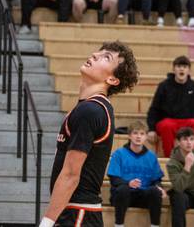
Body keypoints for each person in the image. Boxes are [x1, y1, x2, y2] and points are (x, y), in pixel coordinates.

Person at [39, 42, 139, 227]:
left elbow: (70, 175)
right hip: (76, 211)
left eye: (106, 57)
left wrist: (46, 222)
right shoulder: (91, 108)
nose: (95, 55)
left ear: (112, 80)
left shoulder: (90, 110)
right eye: (99, 52)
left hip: (77, 214)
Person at [107, 121, 166, 227]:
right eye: (135, 133)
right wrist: (128, 183)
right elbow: (114, 179)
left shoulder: (151, 156)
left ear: (146, 137)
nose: (138, 136)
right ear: (129, 135)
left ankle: (155, 225)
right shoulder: (119, 154)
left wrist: (159, 187)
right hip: (124, 196)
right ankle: (119, 225)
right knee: (122, 189)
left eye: (142, 134)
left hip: (143, 196)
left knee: (155, 191)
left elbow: (156, 180)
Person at [146, 56, 194, 157]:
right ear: (174, 69)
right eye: (179, 66)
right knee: (166, 126)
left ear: (189, 70)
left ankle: (192, 156)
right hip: (168, 121)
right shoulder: (164, 85)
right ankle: (170, 157)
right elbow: (154, 108)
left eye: (184, 66)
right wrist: (151, 129)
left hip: (187, 122)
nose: (181, 69)